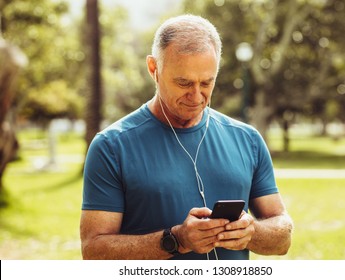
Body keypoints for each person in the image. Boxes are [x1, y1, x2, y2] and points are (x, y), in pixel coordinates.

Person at [80, 14, 293, 260]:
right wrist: (176, 240)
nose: (196, 96)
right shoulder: (111, 146)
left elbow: (283, 237)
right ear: (154, 69)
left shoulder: (248, 140)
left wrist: (252, 233)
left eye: (206, 82)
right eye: (183, 83)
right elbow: (93, 252)